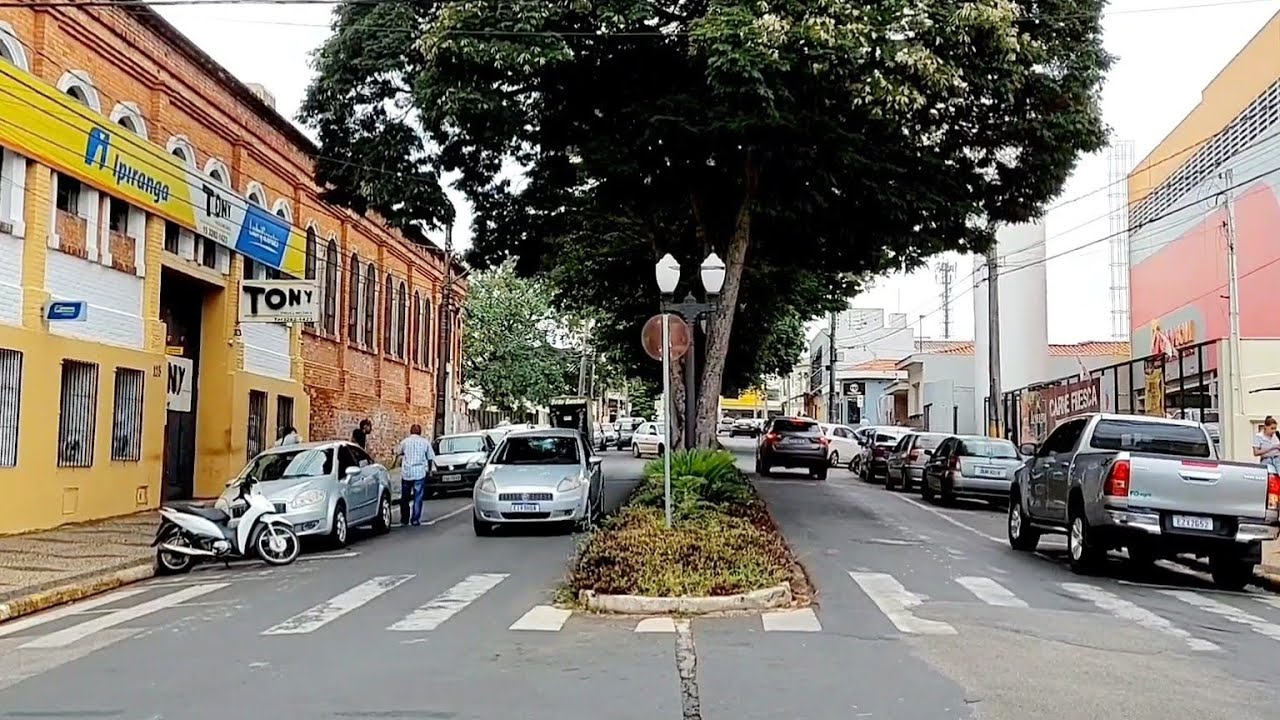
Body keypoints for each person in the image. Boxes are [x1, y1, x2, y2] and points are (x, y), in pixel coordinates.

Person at [394, 424, 435, 526]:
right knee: (418, 497)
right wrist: (429, 470)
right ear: (420, 432)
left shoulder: (405, 442)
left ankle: (404, 519)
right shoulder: (425, 442)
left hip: (407, 473)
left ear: (410, 431)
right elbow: (430, 458)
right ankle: (415, 519)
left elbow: (398, 453)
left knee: (405, 498)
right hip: (419, 473)